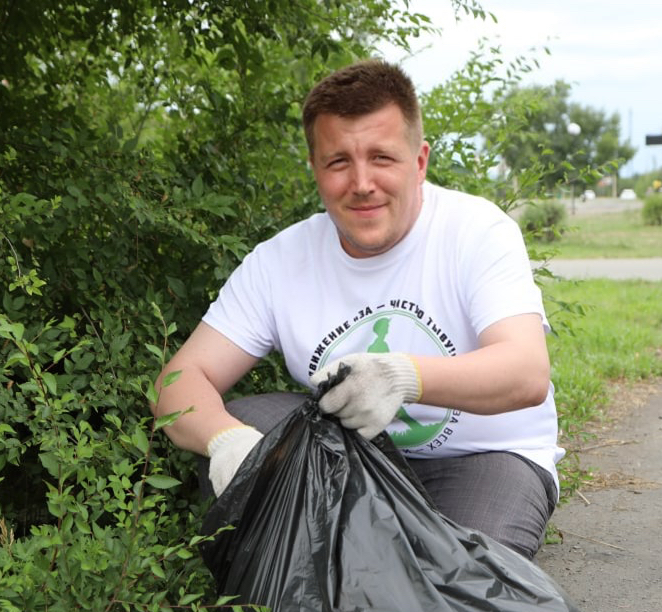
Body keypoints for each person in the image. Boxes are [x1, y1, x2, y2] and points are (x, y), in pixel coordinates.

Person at [152, 59, 562, 558]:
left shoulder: (477, 232)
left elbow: (525, 373)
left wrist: (404, 377)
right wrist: (224, 442)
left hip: (483, 458)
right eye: (339, 161)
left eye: (382, 158)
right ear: (316, 169)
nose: (362, 182)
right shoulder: (280, 261)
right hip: (353, 458)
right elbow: (180, 379)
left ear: (419, 161)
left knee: (465, 596)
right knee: (244, 422)